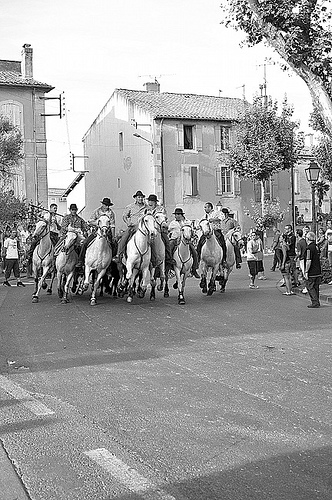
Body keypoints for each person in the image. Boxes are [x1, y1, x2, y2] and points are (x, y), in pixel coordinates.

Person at [76, 197, 116, 268]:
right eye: (105, 204)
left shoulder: (111, 213)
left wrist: (113, 236)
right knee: (85, 243)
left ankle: (112, 260)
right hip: (96, 232)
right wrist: (97, 223)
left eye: (108, 205)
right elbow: (90, 221)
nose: (107, 206)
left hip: (107, 232)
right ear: (102, 204)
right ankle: (81, 260)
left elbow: (112, 225)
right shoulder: (97, 211)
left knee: (114, 244)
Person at [115, 190, 149, 259]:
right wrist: (128, 222)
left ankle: (154, 257)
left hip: (143, 227)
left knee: (153, 239)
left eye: (141, 197)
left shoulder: (147, 207)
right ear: (135, 198)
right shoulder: (130, 207)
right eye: (139, 197)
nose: (140, 199)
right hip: (133, 226)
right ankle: (119, 254)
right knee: (124, 237)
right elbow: (124, 216)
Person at [168, 208, 199, 278]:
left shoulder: (187, 222)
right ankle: (169, 266)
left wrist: (192, 235)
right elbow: (168, 231)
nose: (177, 216)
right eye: (176, 214)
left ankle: (194, 269)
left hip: (185, 240)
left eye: (179, 214)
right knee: (169, 248)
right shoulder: (172, 223)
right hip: (175, 239)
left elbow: (192, 231)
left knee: (194, 252)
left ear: (182, 215)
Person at [146, 194, 174, 270]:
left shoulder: (161, 209)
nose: (150, 202)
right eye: (149, 201)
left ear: (155, 202)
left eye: (152, 201)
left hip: (159, 230)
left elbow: (164, 219)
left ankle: (168, 258)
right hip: (149, 230)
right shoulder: (146, 209)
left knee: (166, 241)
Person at [196, 202, 227, 266]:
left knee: (222, 243)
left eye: (206, 207)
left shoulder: (217, 212)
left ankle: (223, 259)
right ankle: (198, 258)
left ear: (210, 207)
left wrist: (214, 219)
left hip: (216, 230)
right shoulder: (204, 216)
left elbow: (222, 217)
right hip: (207, 232)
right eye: (204, 207)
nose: (205, 209)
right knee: (200, 243)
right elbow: (200, 224)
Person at [304, 231, 322, 308]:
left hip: (312, 271)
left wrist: (306, 271)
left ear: (307, 238)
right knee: (316, 287)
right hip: (318, 269)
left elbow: (308, 260)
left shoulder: (309, 248)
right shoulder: (316, 246)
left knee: (310, 286)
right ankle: (317, 300)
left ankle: (315, 302)